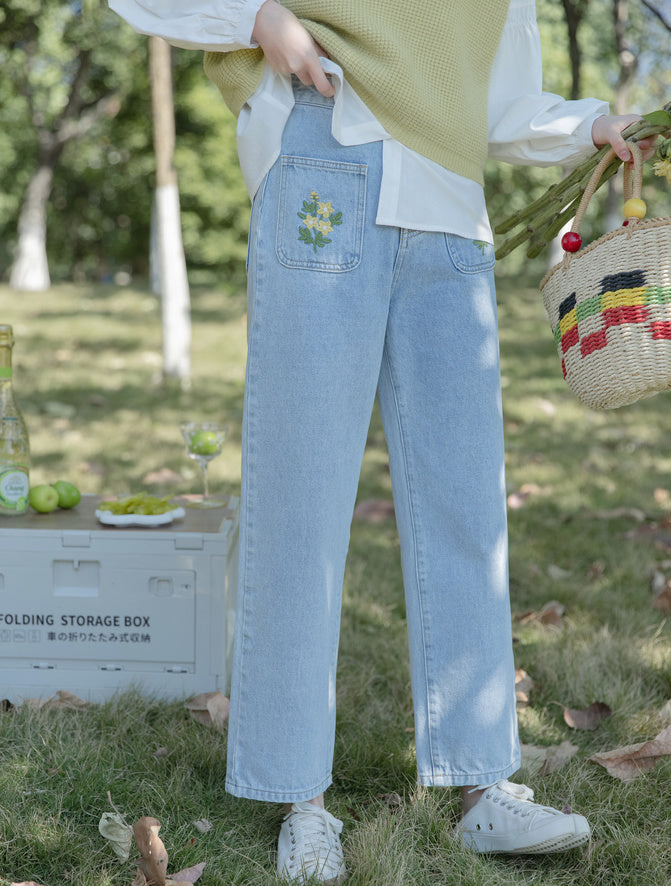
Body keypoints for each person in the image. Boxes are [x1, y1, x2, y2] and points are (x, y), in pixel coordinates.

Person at [109, 1, 656, 882]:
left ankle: (483, 788)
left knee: (467, 506)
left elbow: (493, 103)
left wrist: (593, 122)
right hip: (326, 167)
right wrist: (259, 19)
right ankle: (302, 801)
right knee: (302, 493)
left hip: (449, 216)